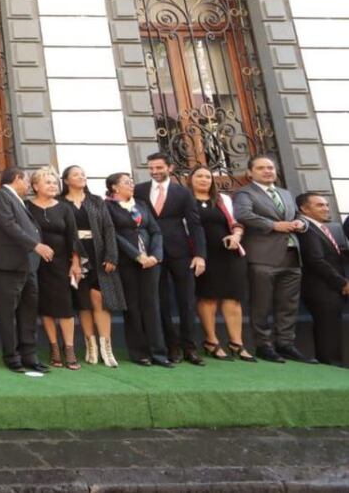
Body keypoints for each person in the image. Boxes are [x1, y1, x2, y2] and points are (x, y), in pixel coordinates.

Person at [233, 154, 315, 364]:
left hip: (291, 255)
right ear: (250, 173)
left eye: (270, 167)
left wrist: (301, 225)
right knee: (261, 304)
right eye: (261, 168)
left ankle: (285, 344)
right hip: (262, 257)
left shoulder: (285, 193)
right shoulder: (245, 192)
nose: (267, 171)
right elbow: (242, 214)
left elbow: (297, 216)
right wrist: (273, 225)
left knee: (288, 305)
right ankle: (263, 345)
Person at [134, 153, 206, 366]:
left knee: (186, 301)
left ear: (170, 168)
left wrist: (200, 255)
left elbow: (194, 225)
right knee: (161, 302)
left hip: (180, 252)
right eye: (151, 168)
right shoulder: (139, 190)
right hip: (151, 254)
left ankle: (190, 347)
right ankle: (171, 346)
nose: (155, 171)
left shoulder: (182, 192)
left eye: (159, 167)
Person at [0, 167, 48, 374]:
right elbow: (10, 226)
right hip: (7, 266)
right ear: (17, 178)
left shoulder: (17, 200)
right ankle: (11, 356)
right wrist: (35, 245)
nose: (28, 185)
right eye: (27, 180)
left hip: (27, 266)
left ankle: (30, 355)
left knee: (28, 313)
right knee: (8, 314)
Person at [105, 172, 171, 367]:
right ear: (114, 187)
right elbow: (114, 235)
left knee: (152, 305)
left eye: (131, 181)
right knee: (133, 307)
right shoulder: (108, 207)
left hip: (151, 262)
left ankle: (159, 352)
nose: (131, 185)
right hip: (128, 262)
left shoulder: (141, 204)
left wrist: (155, 256)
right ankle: (139, 352)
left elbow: (156, 231)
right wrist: (137, 255)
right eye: (126, 182)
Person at [61, 165, 123, 368]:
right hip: (73, 256)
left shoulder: (96, 201)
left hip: (98, 253)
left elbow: (108, 227)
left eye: (83, 174)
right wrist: (72, 259)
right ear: (67, 180)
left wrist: (111, 255)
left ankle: (107, 348)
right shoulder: (61, 203)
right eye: (76, 174)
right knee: (83, 301)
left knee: (100, 298)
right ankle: (91, 346)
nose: (81, 177)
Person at [190, 167, 253, 362]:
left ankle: (236, 342)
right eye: (199, 176)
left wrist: (236, 235)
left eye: (208, 176)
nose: (204, 179)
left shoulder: (223, 199)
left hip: (228, 253)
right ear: (190, 179)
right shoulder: (185, 200)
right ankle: (211, 341)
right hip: (201, 254)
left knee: (233, 298)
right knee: (208, 297)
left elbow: (237, 222)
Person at [26, 167, 82, 370]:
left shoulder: (64, 208)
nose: (52, 185)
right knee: (45, 308)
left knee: (65, 308)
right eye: (47, 182)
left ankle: (69, 349)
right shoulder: (26, 207)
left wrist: (75, 263)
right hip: (36, 265)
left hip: (61, 265)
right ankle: (54, 348)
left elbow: (73, 237)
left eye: (54, 182)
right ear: (35, 186)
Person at [296, 192, 348, 367]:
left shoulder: (323, 228)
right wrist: (342, 282)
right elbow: (315, 260)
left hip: (332, 287)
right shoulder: (306, 228)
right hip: (320, 288)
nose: (326, 208)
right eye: (319, 205)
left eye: (326, 204)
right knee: (328, 330)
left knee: (333, 328)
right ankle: (331, 367)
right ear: (304, 208)